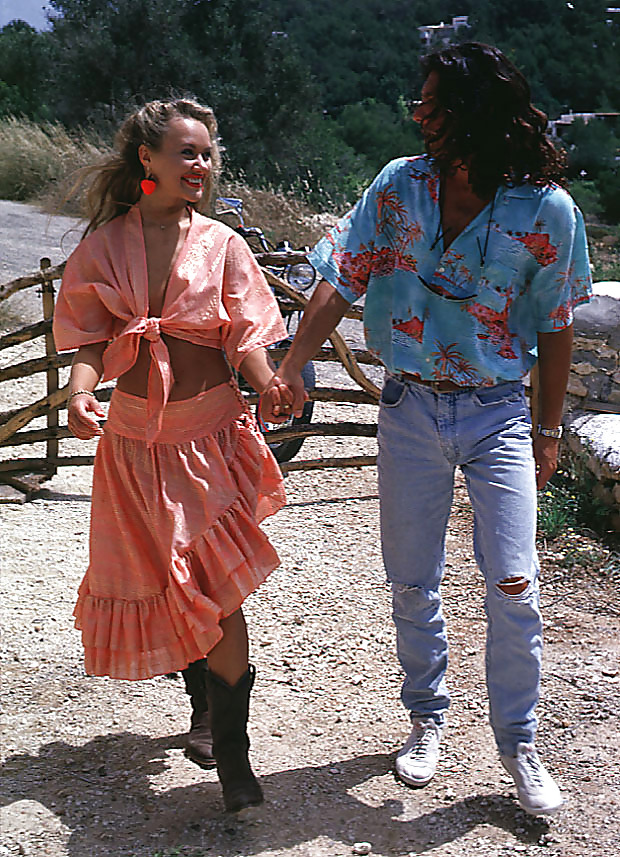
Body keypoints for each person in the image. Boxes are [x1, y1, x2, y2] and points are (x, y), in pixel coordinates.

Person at [262, 43, 592, 815]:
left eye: (436, 104)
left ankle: (519, 743)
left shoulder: (547, 211)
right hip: (409, 406)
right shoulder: (398, 186)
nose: (420, 114)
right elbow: (340, 280)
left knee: (514, 582)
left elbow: (558, 325)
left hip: (498, 414)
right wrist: (290, 367)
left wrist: (547, 433)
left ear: (479, 115)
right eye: (421, 102)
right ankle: (428, 717)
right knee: (412, 581)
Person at [53, 98, 293, 813]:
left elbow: (246, 336)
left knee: (218, 593)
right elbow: (91, 335)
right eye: (186, 152)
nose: (201, 165)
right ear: (147, 160)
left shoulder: (223, 245)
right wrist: (78, 391)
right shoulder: (102, 246)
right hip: (132, 443)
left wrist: (268, 383)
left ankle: (235, 755)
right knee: (169, 582)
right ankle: (203, 709)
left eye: (208, 153)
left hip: (210, 438)